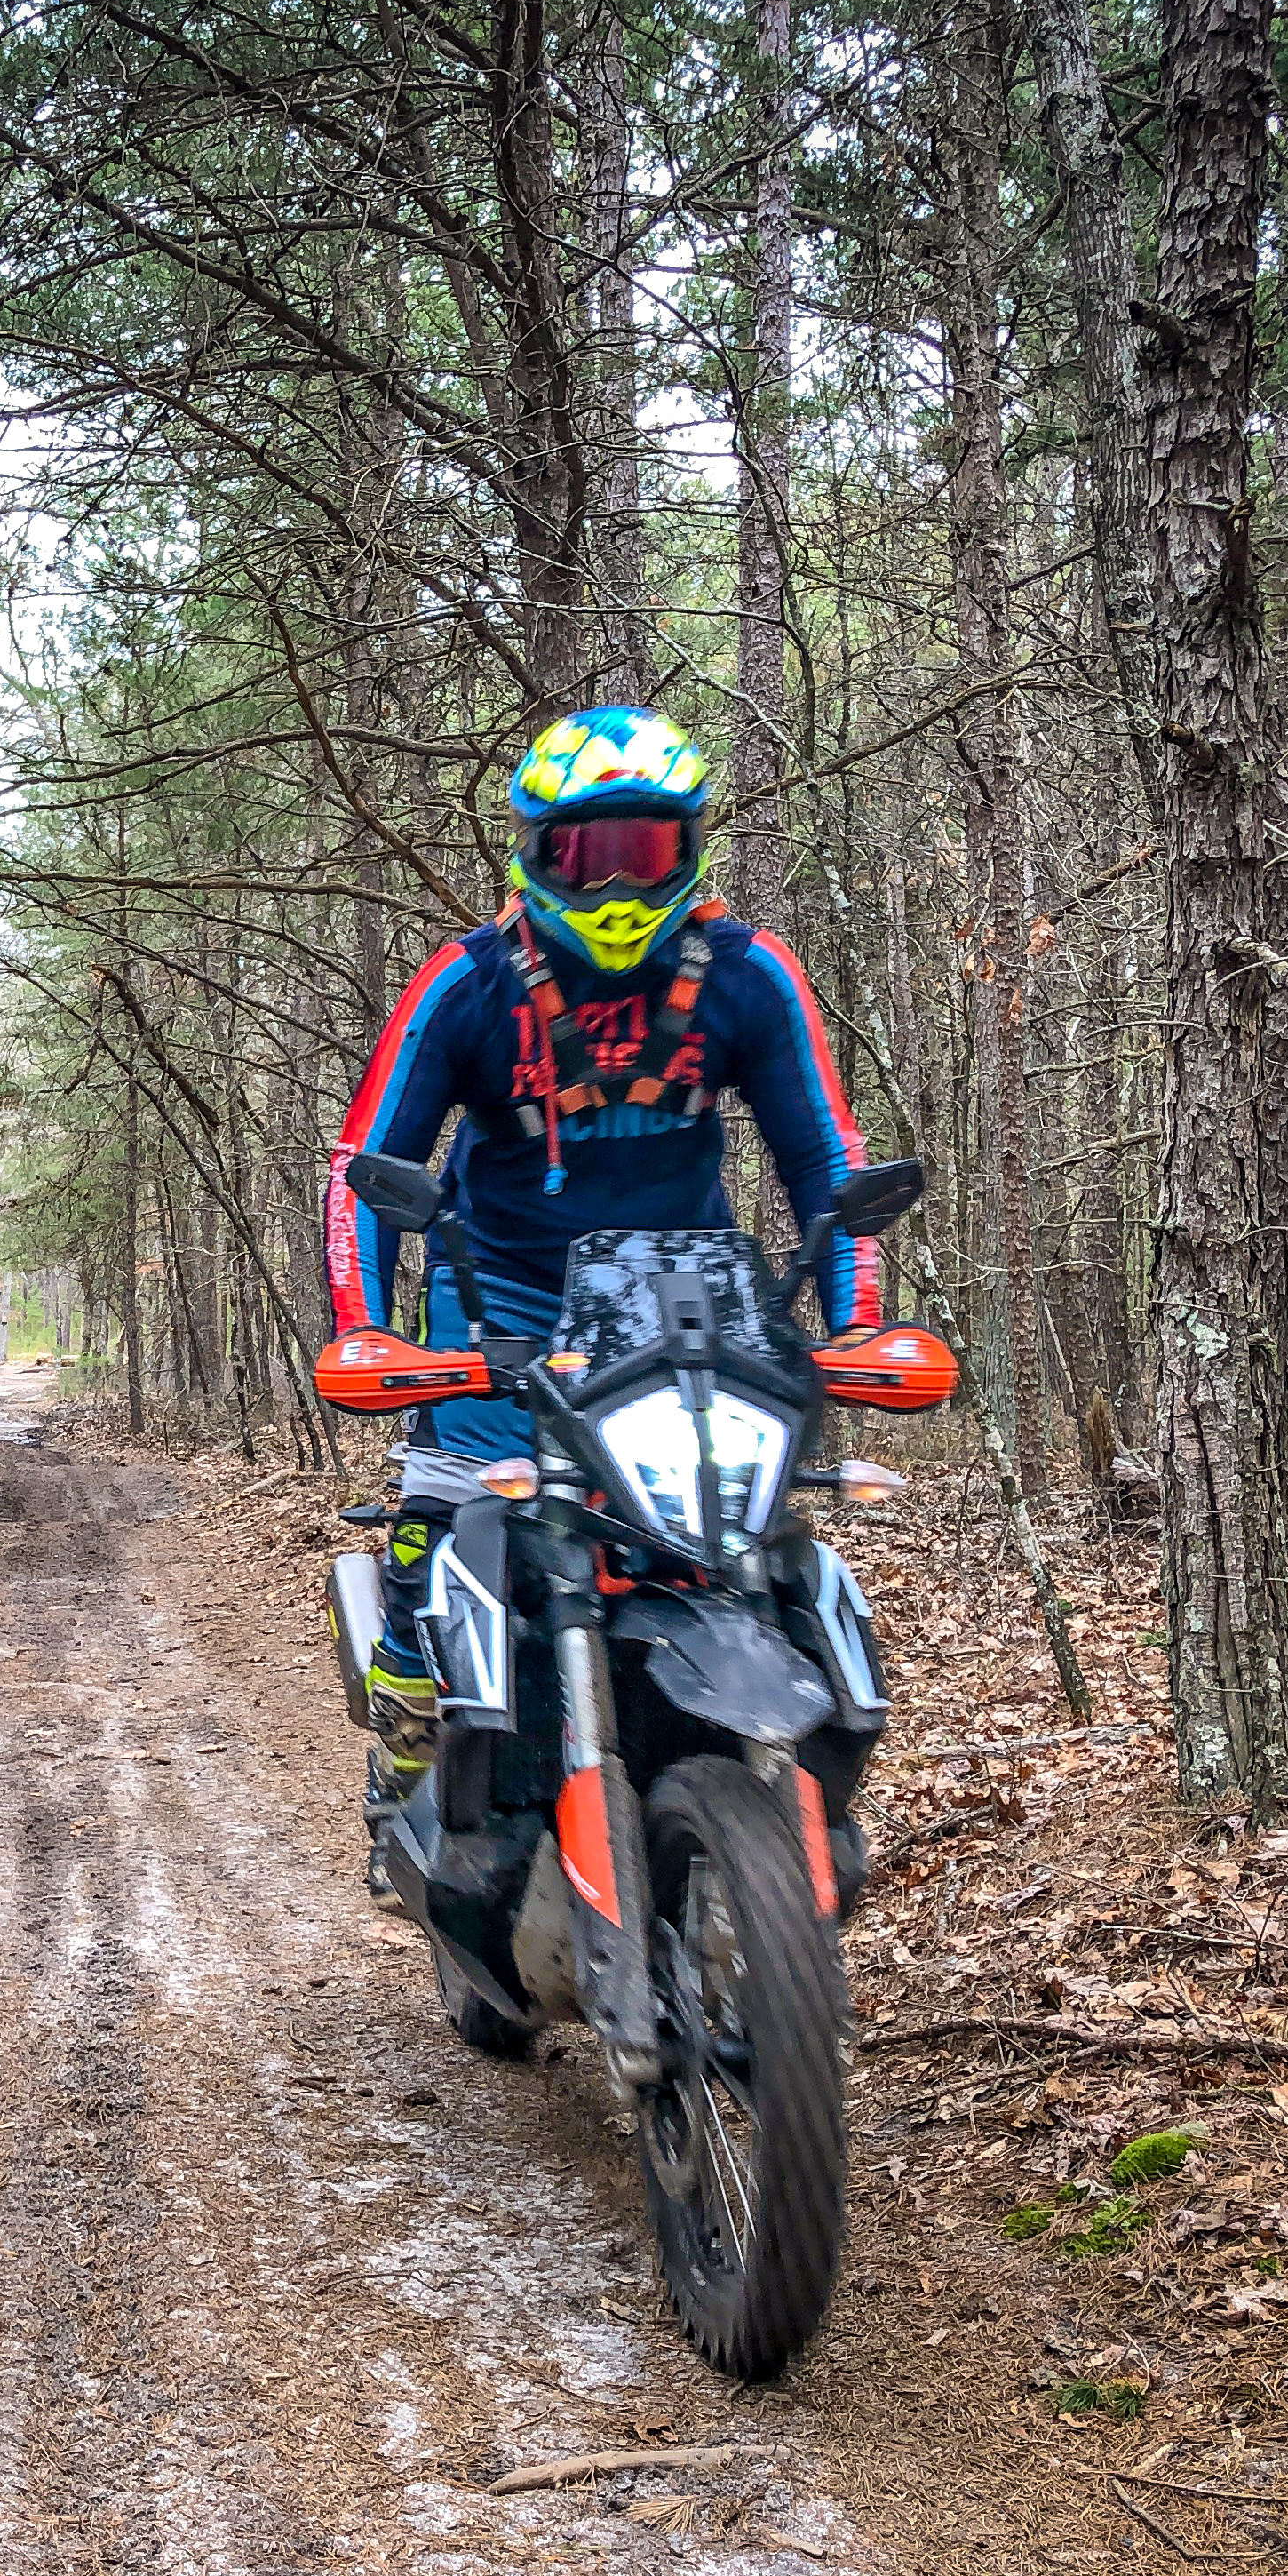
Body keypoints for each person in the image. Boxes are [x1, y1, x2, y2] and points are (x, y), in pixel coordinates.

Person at [322, 703, 880, 1898]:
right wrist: (363, 1329)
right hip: (503, 1303)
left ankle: (781, 1795)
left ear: (690, 848)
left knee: (747, 1539)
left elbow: (825, 1160)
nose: (619, 881)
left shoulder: (748, 975)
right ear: (538, 851)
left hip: (687, 1309)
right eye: (590, 852)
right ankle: (411, 1749)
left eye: (646, 847)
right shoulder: (468, 985)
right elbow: (367, 1165)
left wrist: (861, 1323)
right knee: (445, 1528)